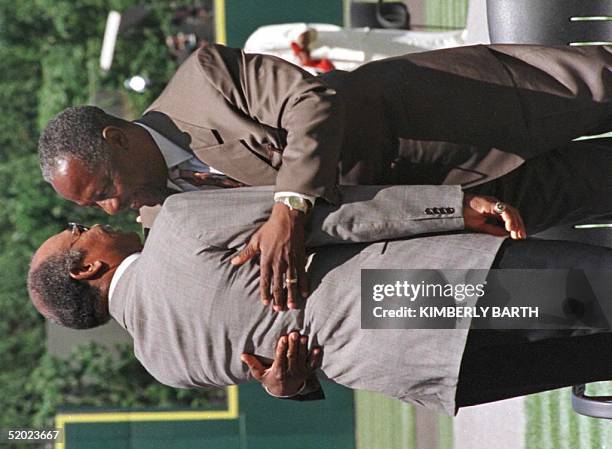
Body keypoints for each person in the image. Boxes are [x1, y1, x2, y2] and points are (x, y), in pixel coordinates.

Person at [38, 43, 612, 312]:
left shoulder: (203, 82)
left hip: (458, 111)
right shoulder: (164, 225)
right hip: (461, 212)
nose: (112, 208)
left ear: (116, 138)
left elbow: (309, 101)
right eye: (97, 207)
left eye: (105, 188)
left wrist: (290, 208)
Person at [27, 186, 612, 414]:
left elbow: (286, 374)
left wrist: (294, 387)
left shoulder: (163, 364)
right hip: (419, 300)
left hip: (415, 374)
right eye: (78, 235)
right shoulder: (176, 226)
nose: (85, 227)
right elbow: (334, 217)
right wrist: (453, 208)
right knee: (606, 295)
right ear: (87, 269)